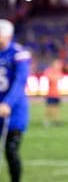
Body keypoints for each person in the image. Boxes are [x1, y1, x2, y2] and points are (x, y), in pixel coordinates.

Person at [0, 19, 30, 182]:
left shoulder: (18, 54)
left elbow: (20, 81)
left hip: (14, 112)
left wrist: (7, 103)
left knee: (11, 151)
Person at [43, 58, 64, 127]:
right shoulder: (49, 71)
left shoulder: (58, 72)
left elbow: (60, 77)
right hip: (50, 93)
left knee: (56, 108)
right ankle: (47, 120)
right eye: (57, 64)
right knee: (49, 108)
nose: (59, 66)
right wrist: (55, 77)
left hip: (57, 93)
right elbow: (51, 78)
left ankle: (55, 120)